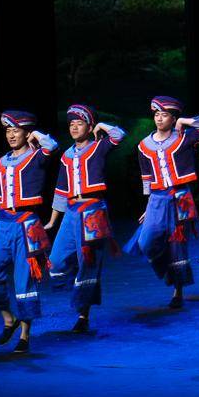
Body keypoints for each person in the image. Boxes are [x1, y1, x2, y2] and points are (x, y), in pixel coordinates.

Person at [0, 110, 59, 354]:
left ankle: (24, 336)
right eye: (8, 131)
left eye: (16, 130)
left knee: (24, 281)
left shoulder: (36, 157)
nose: (11, 135)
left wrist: (35, 135)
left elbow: (52, 145)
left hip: (26, 226)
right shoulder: (1, 163)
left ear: (26, 132)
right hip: (3, 225)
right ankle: (8, 319)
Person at [44, 104, 125, 333]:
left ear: (89, 127)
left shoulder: (99, 147)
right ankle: (79, 290)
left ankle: (83, 314)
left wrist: (101, 126)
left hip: (92, 211)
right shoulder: (67, 156)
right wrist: (52, 221)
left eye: (79, 123)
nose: (74, 127)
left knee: (88, 262)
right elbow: (61, 190)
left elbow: (119, 135)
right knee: (57, 260)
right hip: (71, 211)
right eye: (71, 124)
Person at [124, 94, 199, 308]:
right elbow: (146, 177)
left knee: (178, 244)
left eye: (165, 115)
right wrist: (148, 206)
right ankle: (168, 270)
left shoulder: (183, 138)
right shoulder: (144, 145)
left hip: (180, 197)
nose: (160, 118)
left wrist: (184, 121)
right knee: (146, 242)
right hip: (157, 198)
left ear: (173, 118)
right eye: (157, 114)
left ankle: (178, 291)